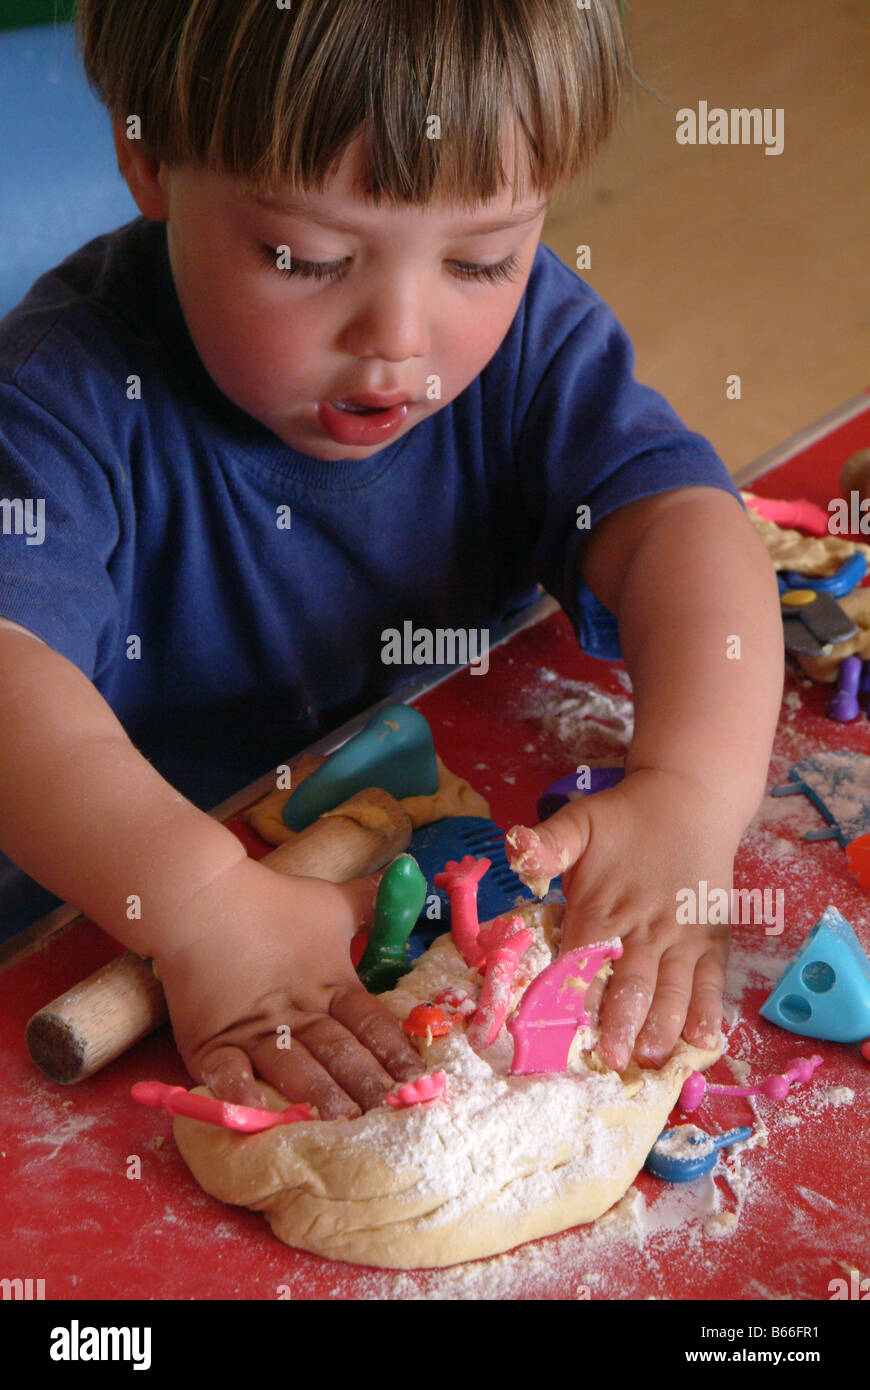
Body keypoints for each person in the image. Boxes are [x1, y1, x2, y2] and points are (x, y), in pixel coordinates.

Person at [0, 0, 782, 1118]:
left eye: (482, 257)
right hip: (89, 937)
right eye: (307, 258)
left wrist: (695, 794)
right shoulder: (59, 397)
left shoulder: (528, 349)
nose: (402, 338)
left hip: (411, 888)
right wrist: (197, 902)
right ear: (150, 158)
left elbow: (682, 525)